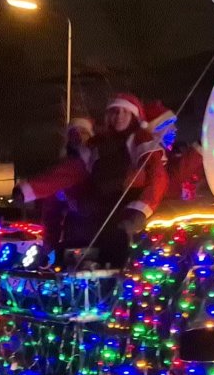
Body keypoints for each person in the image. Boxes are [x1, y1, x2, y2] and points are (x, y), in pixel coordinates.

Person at [18, 93, 168, 267]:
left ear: (134, 116)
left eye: (124, 112)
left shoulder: (140, 140)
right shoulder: (97, 145)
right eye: (114, 111)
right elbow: (69, 173)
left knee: (121, 264)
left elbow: (156, 176)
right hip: (96, 220)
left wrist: (141, 210)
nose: (118, 116)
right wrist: (29, 189)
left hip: (127, 215)